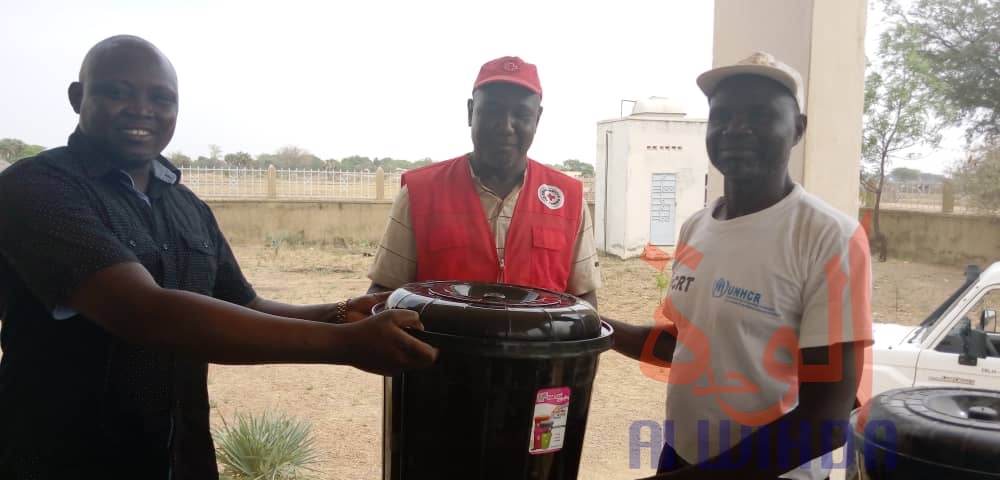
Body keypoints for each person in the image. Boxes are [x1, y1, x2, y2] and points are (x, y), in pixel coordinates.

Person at [0, 35, 437, 480]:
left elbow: (244, 304)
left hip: (180, 455)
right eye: (117, 92)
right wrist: (344, 345)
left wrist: (338, 313)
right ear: (78, 98)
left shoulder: (187, 205)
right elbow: (142, 312)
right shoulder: (37, 188)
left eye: (161, 97)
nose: (141, 108)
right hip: (63, 456)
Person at [603, 52, 873, 480]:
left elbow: (825, 420)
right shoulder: (697, 226)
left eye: (760, 115)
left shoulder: (829, 238)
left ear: (798, 129)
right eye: (722, 115)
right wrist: (593, 326)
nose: (736, 128)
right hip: (682, 454)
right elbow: (684, 343)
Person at [367, 56, 601, 306]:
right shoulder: (419, 193)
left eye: (521, 114)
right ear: (470, 112)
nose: (505, 126)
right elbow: (383, 293)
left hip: (536, 346)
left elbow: (583, 298)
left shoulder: (569, 199)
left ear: (537, 119)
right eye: (492, 110)